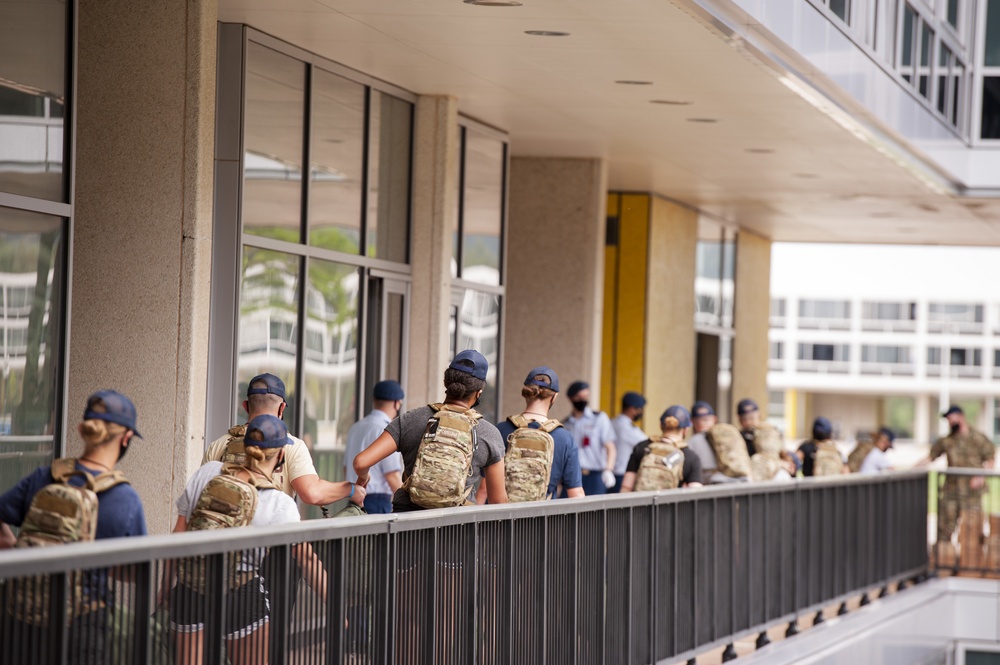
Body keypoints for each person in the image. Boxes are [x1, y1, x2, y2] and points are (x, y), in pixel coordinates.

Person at [0, 390, 148, 665]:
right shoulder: (125, 499)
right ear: (126, 438)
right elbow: (135, 570)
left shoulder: (44, 477)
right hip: (82, 628)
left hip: (21, 618)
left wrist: (14, 549)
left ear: (82, 430)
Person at [167, 414, 328, 665]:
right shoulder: (279, 503)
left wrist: (167, 586)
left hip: (190, 588)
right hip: (240, 593)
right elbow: (306, 559)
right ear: (281, 456)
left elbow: (179, 534)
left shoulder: (208, 472)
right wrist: (336, 606)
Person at [353, 349, 508, 511]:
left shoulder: (411, 419)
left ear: (446, 383)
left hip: (408, 526)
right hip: (459, 529)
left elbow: (360, 462)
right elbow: (498, 501)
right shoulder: (488, 433)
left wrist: (364, 476)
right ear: (479, 393)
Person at [203, 373, 362, 509]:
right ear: (282, 409)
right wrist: (350, 489)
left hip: (221, 541)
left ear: (246, 406)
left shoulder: (219, 444)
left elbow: (201, 495)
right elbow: (312, 493)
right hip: (268, 543)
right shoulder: (290, 446)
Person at [918, 406, 995, 560]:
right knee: (945, 528)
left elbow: (991, 459)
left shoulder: (978, 438)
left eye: (951, 417)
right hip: (951, 491)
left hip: (972, 493)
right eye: (947, 419)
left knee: (972, 529)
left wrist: (981, 477)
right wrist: (912, 468)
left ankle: (970, 563)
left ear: (961, 416)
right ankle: (942, 561)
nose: (949, 421)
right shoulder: (947, 441)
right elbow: (931, 457)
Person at [495, 366, 584, 500]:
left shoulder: (502, 429)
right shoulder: (564, 438)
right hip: (545, 519)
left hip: (505, 517)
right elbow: (576, 494)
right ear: (554, 397)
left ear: (526, 392)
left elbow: (485, 488)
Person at [343, 380, 405, 514]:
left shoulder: (355, 427)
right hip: (377, 503)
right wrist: (408, 506)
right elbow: (392, 476)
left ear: (374, 400)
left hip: (353, 497)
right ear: (397, 403)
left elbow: (346, 468)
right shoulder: (388, 430)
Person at [621, 405, 704, 491]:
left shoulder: (641, 447)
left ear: (661, 425)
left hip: (641, 503)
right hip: (671, 504)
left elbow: (626, 486)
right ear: (686, 430)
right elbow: (695, 492)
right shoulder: (690, 456)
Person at [563, 381, 617, 496]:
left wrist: (608, 469)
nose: (583, 400)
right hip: (572, 476)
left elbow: (610, 447)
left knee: (594, 512)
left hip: (595, 475)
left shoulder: (598, 418)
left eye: (585, 397)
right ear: (571, 398)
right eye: (579, 397)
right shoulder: (566, 424)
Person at [685, 400, 747, 484]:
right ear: (714, 419)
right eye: (702, 419)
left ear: (691, 422)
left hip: (711, 488)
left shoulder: (693, 441)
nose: (704, 422)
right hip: (738, 484)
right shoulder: (729, 435)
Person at [610, 391, 648, 493]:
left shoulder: (611, 422)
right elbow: (648, 445)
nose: (640, 412)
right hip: (622, 476)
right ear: (632, 409)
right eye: (639, 409)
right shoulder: (630, 429)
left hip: (608, 474)